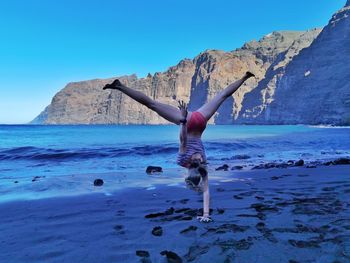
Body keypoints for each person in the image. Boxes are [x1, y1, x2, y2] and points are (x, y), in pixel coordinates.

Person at [103, 71, 255, 222]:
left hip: (194, 120)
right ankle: (120, 87)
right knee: (152, 104)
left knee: (220, 96)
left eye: (197, 162)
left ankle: (244, 77)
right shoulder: (190, 164)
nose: (199, 159)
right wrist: (182, 120)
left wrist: (183, 120)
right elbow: (184, 143)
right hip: (193, 120)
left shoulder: (194, 163)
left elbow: (184, 142)